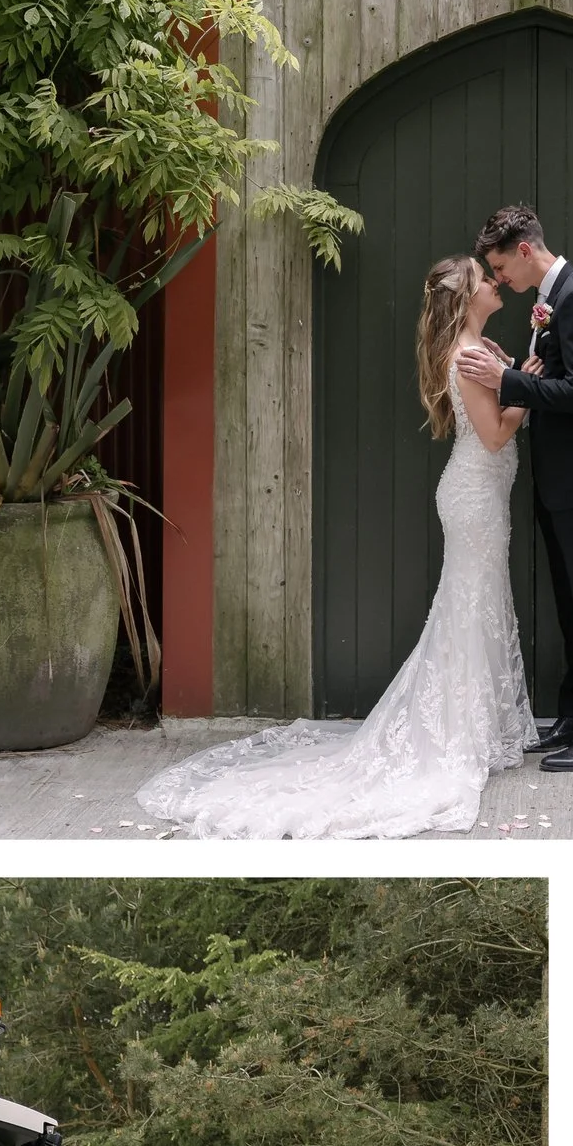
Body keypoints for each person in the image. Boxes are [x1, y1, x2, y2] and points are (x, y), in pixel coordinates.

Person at [132, 253, 533, 838]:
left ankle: (473, 726)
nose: (494, 282)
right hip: (474, 497)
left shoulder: (482, 348)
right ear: (465, 297)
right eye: (483, 278)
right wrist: (532, 393)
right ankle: (458, 733)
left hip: (481, 498)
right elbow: (496, 435)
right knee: (469, 609)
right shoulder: (468, 355)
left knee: (474, 609)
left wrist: (520, 374)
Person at [452, 203, 573, 773]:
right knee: (571, 604)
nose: (499, 278)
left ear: (525, 251)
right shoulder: (554, 300)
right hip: (563, 478)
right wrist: (521, 371)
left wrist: (508, 381)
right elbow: (558, 377)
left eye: (501, 266)